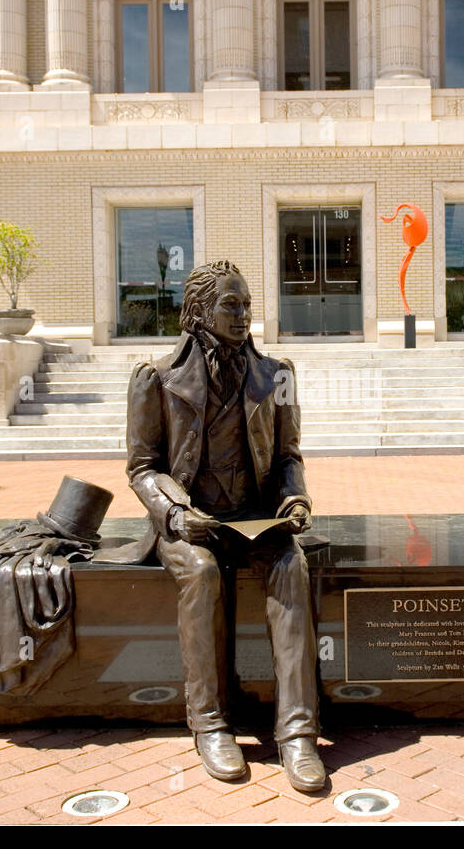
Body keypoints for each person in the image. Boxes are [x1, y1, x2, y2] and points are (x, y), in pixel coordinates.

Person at [106, 260, 325, 793]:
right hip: (189, 522)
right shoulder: (154, 378)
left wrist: (293, 498)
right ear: (199, 310)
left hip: (254, 518)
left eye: (247, 305)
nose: (243, 315)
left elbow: (288, 457)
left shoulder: (277, 375)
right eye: (231, 304)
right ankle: (210, 724)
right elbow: (142, 467)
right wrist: (176, 514)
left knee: (290, 564)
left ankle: (297, 734)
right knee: (202, 573)